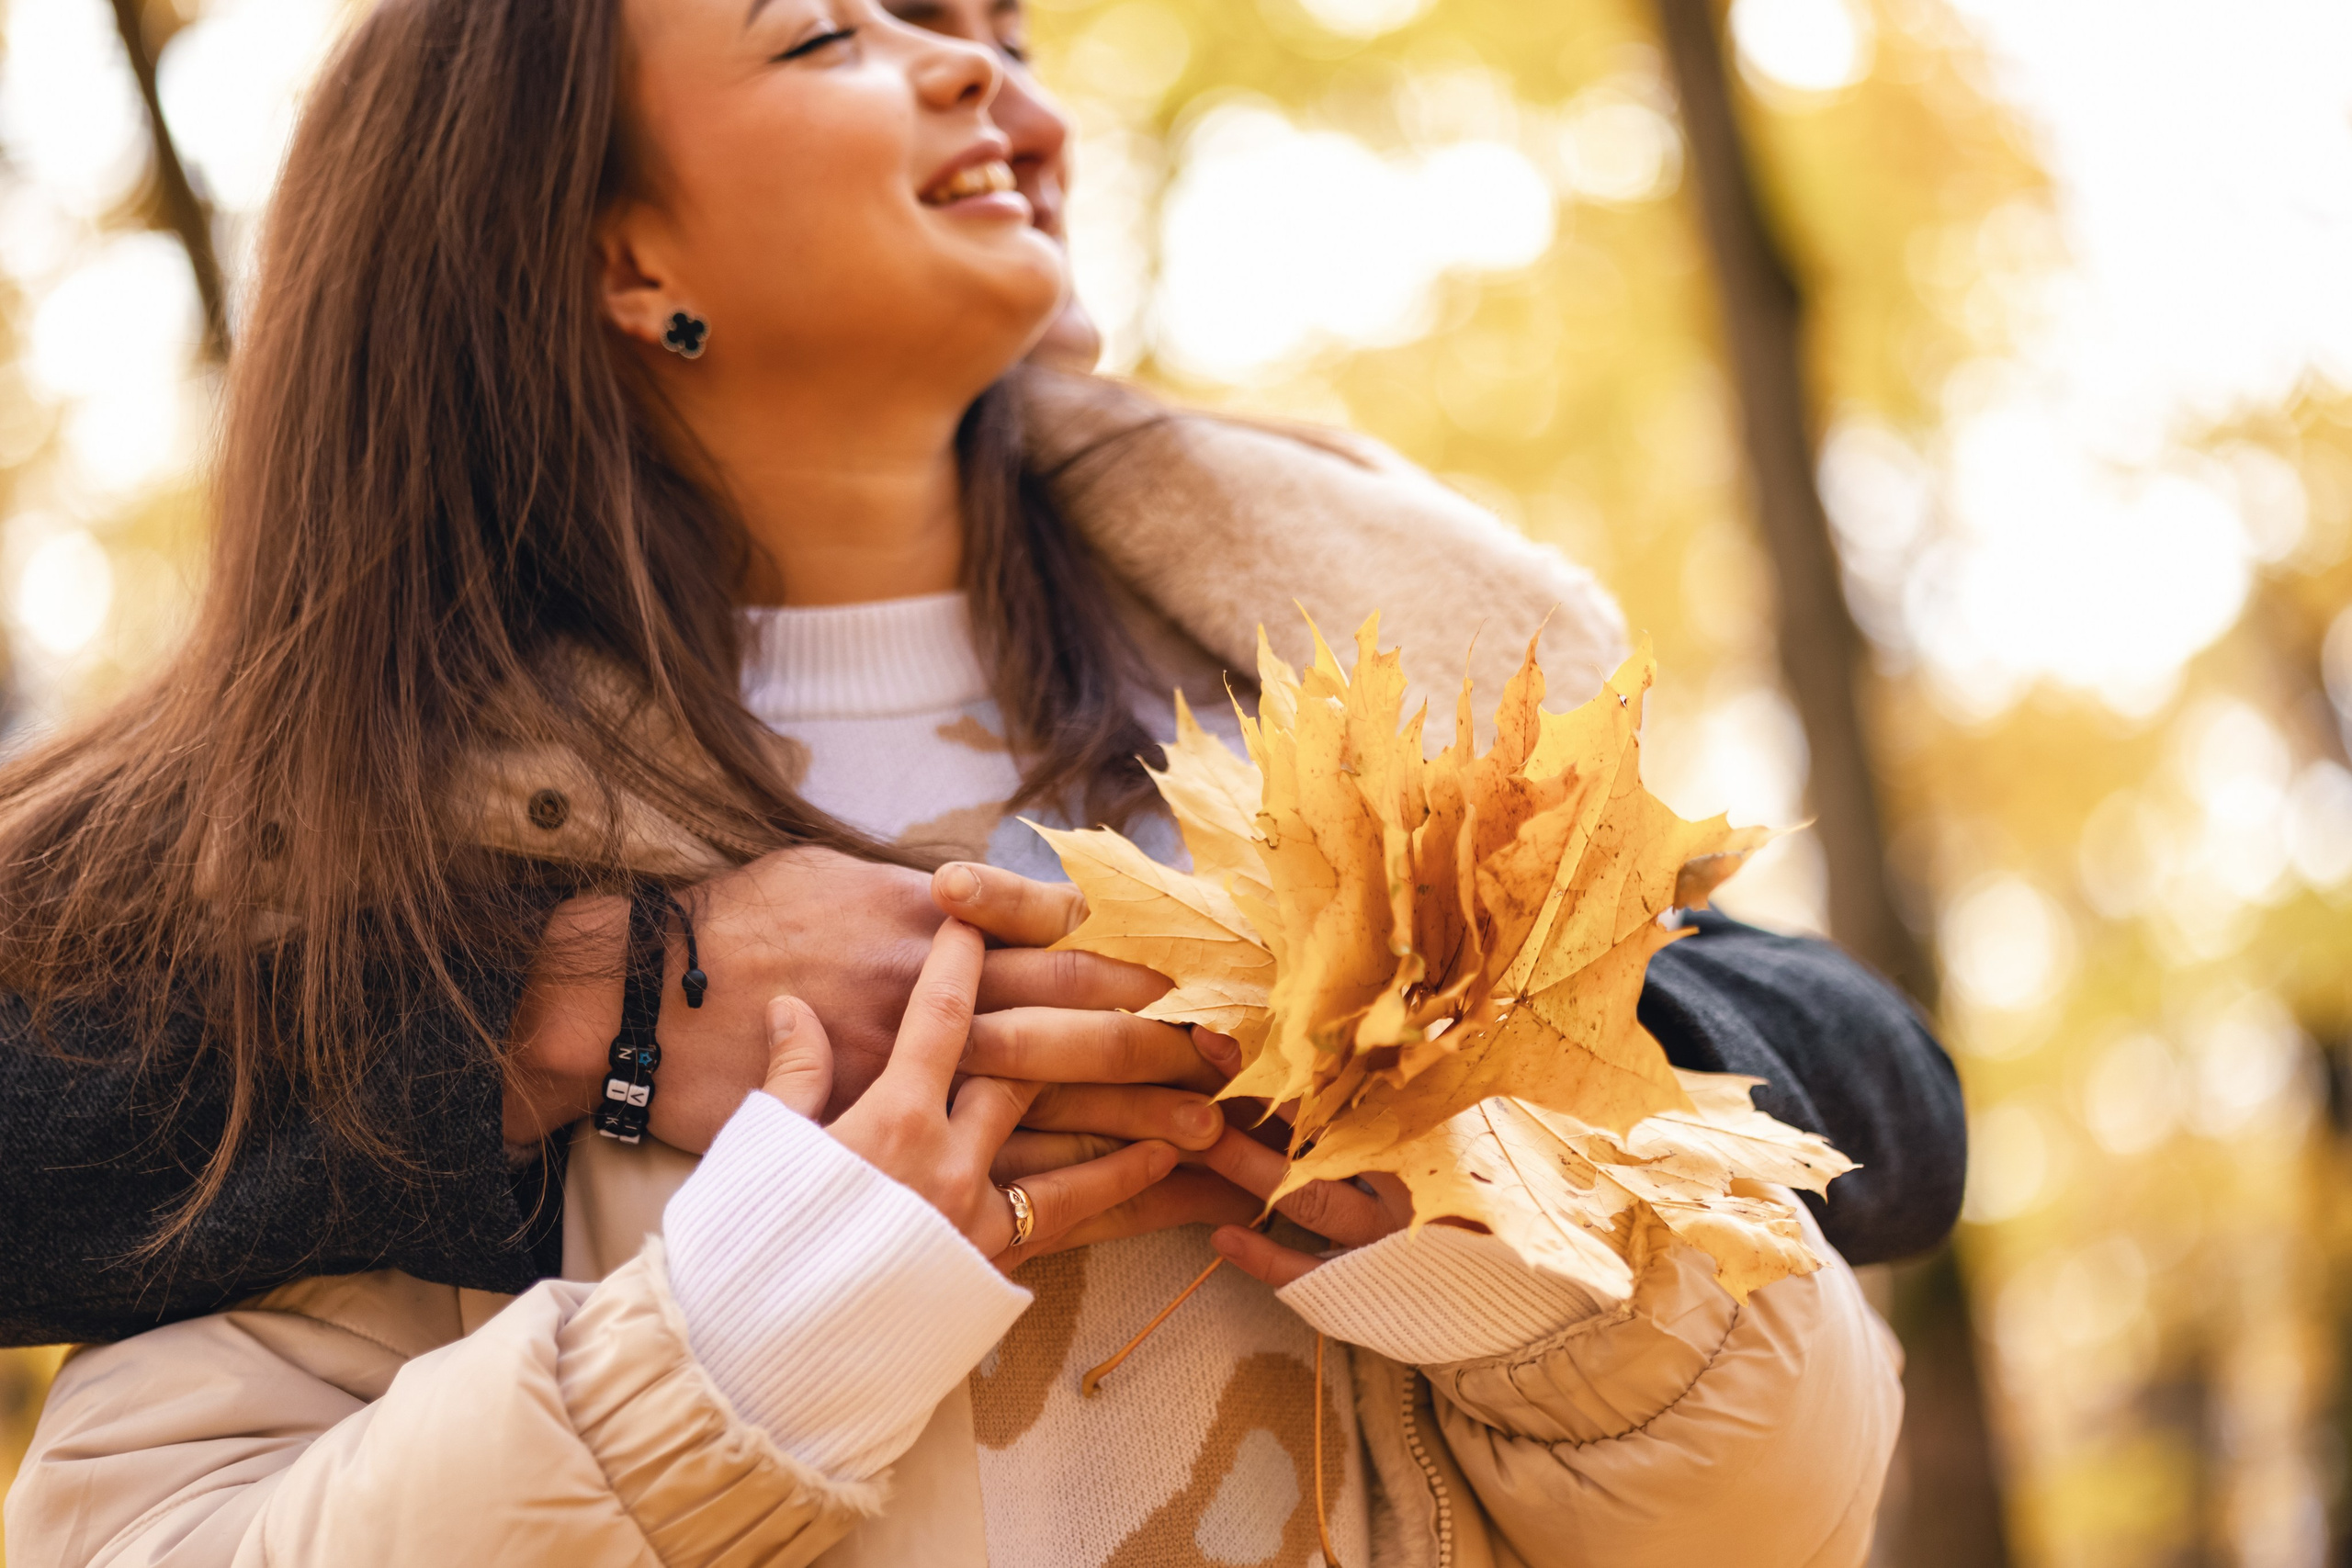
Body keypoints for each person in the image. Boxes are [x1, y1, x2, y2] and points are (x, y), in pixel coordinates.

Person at [0, 0, 1941, 1562]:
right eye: (821, 35)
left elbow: (1779, 1492)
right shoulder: (378, 870)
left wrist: (1505, 1243)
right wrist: (765, 1316)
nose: (979, 67)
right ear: (615, 248)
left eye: (989, 27)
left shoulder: (1372, 738)